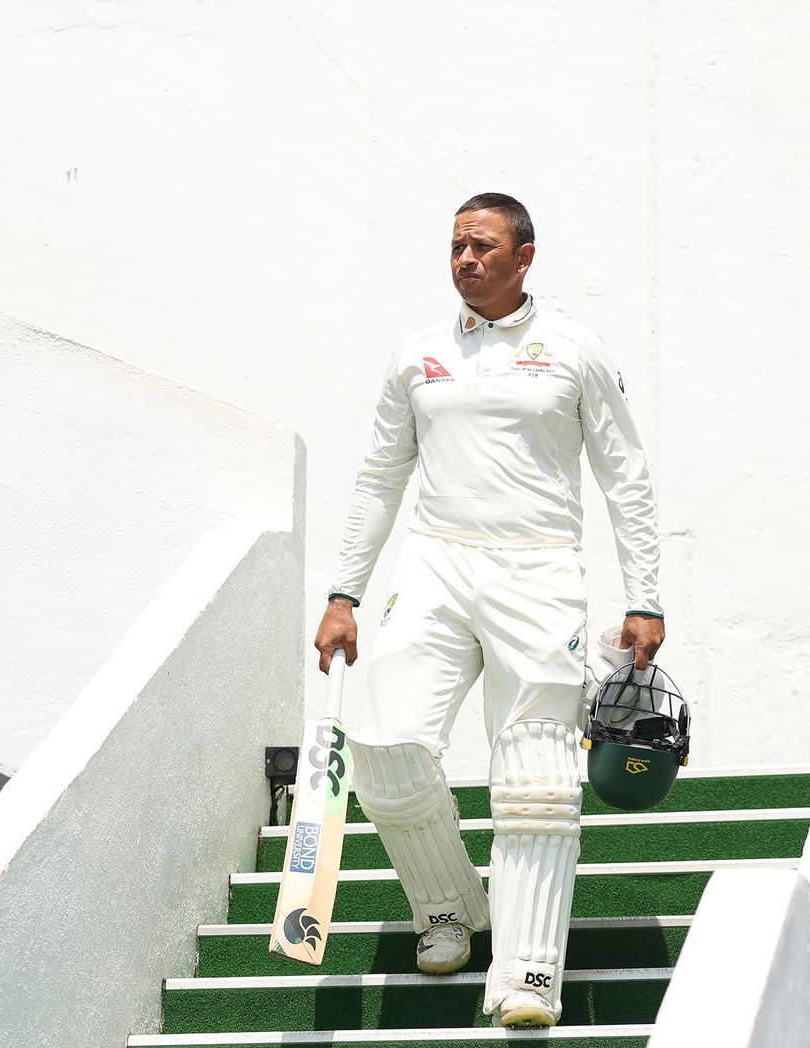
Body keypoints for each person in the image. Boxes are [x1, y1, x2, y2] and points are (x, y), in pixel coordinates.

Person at [313, 192, 663, 1029]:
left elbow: (627, 477)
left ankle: (528, 972)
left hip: (538, 572)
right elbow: (377, 478)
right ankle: (445, 906)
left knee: (535, 777)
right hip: (435, 564)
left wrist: (644, 597)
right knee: (386, 744)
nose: (467, 259)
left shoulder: (574, 349)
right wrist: (343, 592)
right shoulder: (419, 354)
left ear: (525, 255)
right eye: (456, 247)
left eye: (483, 246)